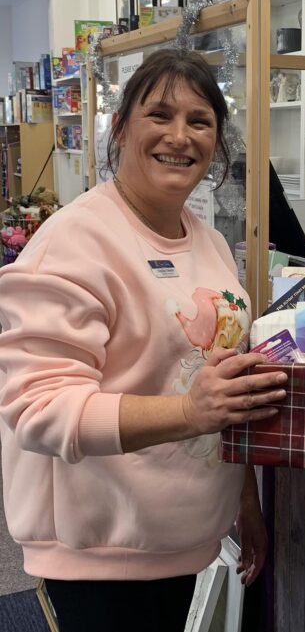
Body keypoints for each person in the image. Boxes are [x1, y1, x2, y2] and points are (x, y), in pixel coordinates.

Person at [0, 49, 288, 632]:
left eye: (199, 120)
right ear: (121, 128)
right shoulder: (75, 242)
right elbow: (38, 409)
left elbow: (219, 383)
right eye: (159, 114)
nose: (179, 136)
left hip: (184, 538)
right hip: (102, 554)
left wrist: (243, 501)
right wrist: (188, 412)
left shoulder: (205, 239)